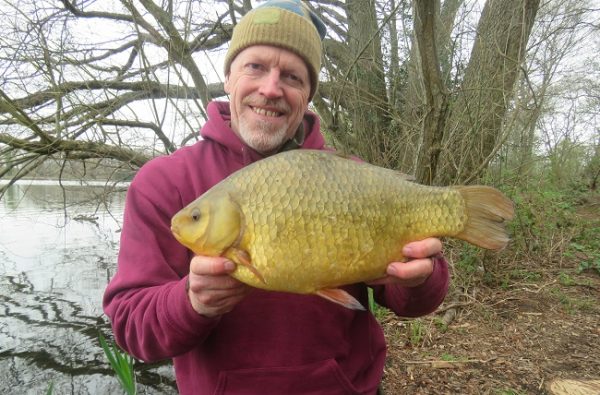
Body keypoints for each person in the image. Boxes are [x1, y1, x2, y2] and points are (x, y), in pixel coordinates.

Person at [103, 1, 450, 394]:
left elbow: (413, 301)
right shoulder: (165, 182)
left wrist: (419, 279)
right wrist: (190, 302)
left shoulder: (350, 176)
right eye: (255, 67)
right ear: (229, 76)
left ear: (308, 94)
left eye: (292, 76)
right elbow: (130, 327)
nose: (270, 89)